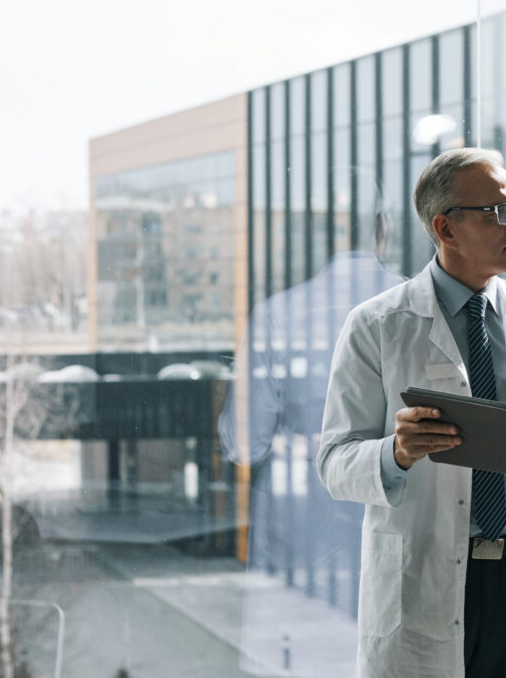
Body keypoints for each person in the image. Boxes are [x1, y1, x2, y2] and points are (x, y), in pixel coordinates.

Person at [317, 147, 506, 677]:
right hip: (423, 577)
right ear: (445, 229)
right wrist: (395, 453)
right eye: (500, 212)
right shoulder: (378, 326)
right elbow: (334, 461)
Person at [218, 178, 404, 675]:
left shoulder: (277, 315)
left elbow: (243, 442)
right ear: (383, 230)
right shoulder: (421, 310)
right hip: (399, 529)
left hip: (300, 541)